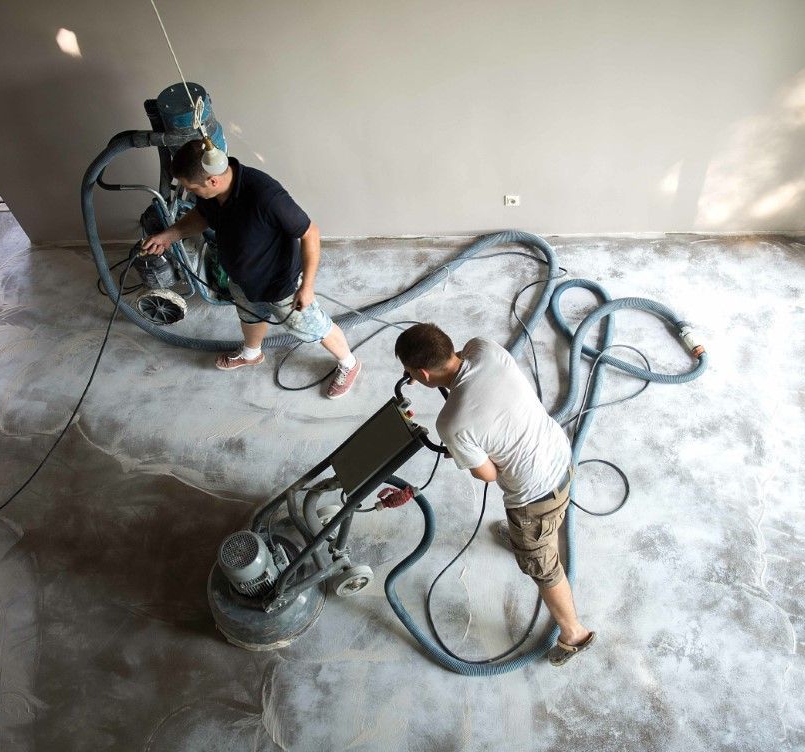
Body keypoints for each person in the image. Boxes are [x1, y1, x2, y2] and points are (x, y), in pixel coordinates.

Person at [394, 323, 596, 666]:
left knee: (542, 566)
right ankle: (525, 537)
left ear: (423, 374)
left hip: (535, 496)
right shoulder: (483, 348)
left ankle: (574, 633)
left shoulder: (451, 423)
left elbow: (488, 474)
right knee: (536, 528)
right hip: (560, 454)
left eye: (411, 372)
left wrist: (466, 450)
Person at [141, 139, 361, 399]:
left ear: (212, 181)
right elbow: (201, 215)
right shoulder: (212, 194)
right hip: (241, 277)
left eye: (193, 188)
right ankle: (251, 354)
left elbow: (310, 233)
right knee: (249, 315)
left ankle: (349, 363)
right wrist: (170, 235)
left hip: (280, 284)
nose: (192, 193)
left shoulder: (265, 196)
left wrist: (308, 287)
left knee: (312, 326)